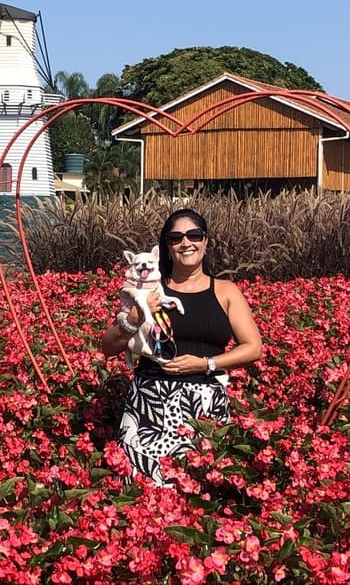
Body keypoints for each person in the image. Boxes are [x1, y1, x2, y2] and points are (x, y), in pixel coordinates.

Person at [101, 208, 263, 485]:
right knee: (140, 497)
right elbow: (108, 347)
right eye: (176, 237)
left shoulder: (226, 291)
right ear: (166, 245)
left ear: (206, 241)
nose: (186, 243)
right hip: (148, 405)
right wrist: (135, 317)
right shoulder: (147, 288)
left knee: (196, 493)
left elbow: (253, 347)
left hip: (203, 407)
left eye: (194, 235)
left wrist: (206, 364)